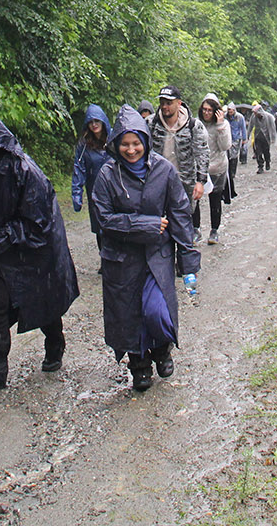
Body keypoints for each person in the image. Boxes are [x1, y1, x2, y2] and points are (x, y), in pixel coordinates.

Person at [0, 112, 80, 393]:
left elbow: (37, 223)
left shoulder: (26, 172)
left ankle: (55, 342)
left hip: (34, 252)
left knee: (43, 302)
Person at [91, 106, 199, 392]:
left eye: (136, 143)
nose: (130, 150)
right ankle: (138, 365)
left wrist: (188, 265)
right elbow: (103, 218)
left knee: (156, 310)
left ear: (145, 142)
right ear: (116, 144)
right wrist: (146, 225)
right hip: (121, 260)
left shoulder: (164, 170)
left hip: (157, 257)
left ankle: (161, 349)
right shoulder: (106, 175)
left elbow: (179, 215)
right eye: (124, 144)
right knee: (128, 315)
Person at [148, 85, 208, 241]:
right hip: (157, 181)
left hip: (184, 182)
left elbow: (202, 153)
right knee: (158, 223)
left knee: (183, 223)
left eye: (169, 102)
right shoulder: (151, 123)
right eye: (162, 102)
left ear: (179, 103)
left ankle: (184, 261)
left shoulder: (193, 125)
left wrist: (200, 182)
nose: (165, 106)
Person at [71, 104, 112, 239]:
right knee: (99, 228)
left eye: (97, 121)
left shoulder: (113, 139)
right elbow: (79, 168)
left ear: (103, 121)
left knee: (116, 226)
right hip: (94, 191)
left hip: (115, 189)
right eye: (91, 122)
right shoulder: (84, 145)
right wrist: (77, 194)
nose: (94, 125)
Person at [197, 94, 233, 244]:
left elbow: (225, 146)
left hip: (217, 167)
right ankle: (195, 228)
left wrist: (220, 126)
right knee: (195, 199)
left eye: (209, 110)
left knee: (215, 200)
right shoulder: (196, 124)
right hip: (199, 168)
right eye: (204, 109)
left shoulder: (223, 125)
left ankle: (214, 230)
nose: (206, 113)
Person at [226, 101, 247, 191]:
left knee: (234, 156)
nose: (230, 112)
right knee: (227, 156)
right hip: (227, 138)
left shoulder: (240, 117)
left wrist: (244, 139)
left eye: (231, 111)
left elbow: (243, 128)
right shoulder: (224, 117)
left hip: (236, 138)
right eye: (228, 110)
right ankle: (228, 170)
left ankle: (233, 172)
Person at [250, 102, 276, 173]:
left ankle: (267, 161)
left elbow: (272, 128)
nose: (255, 114)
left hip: (266, 137)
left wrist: (273, 138)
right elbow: (250, 125)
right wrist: (247, 135)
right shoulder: (253, 117)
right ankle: (260, 166)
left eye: (256, 113)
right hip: (257, 137)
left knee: (266, 152)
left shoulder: (269, 117)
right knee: (258, 152)